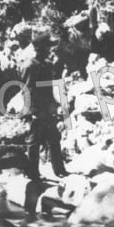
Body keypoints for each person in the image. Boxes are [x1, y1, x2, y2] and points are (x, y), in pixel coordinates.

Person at [22, 32, 68, 180]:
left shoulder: (47, 64)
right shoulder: (29, 65)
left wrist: (55, 105)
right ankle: (32, 173)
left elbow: (49, 88)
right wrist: (31, 111)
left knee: (54, 139)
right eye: (47, 46)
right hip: (36, 110)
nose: (49, 49)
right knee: (34, 142)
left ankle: (59, 170)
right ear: (39, 48)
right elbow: (27, 90)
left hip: (47, 109)